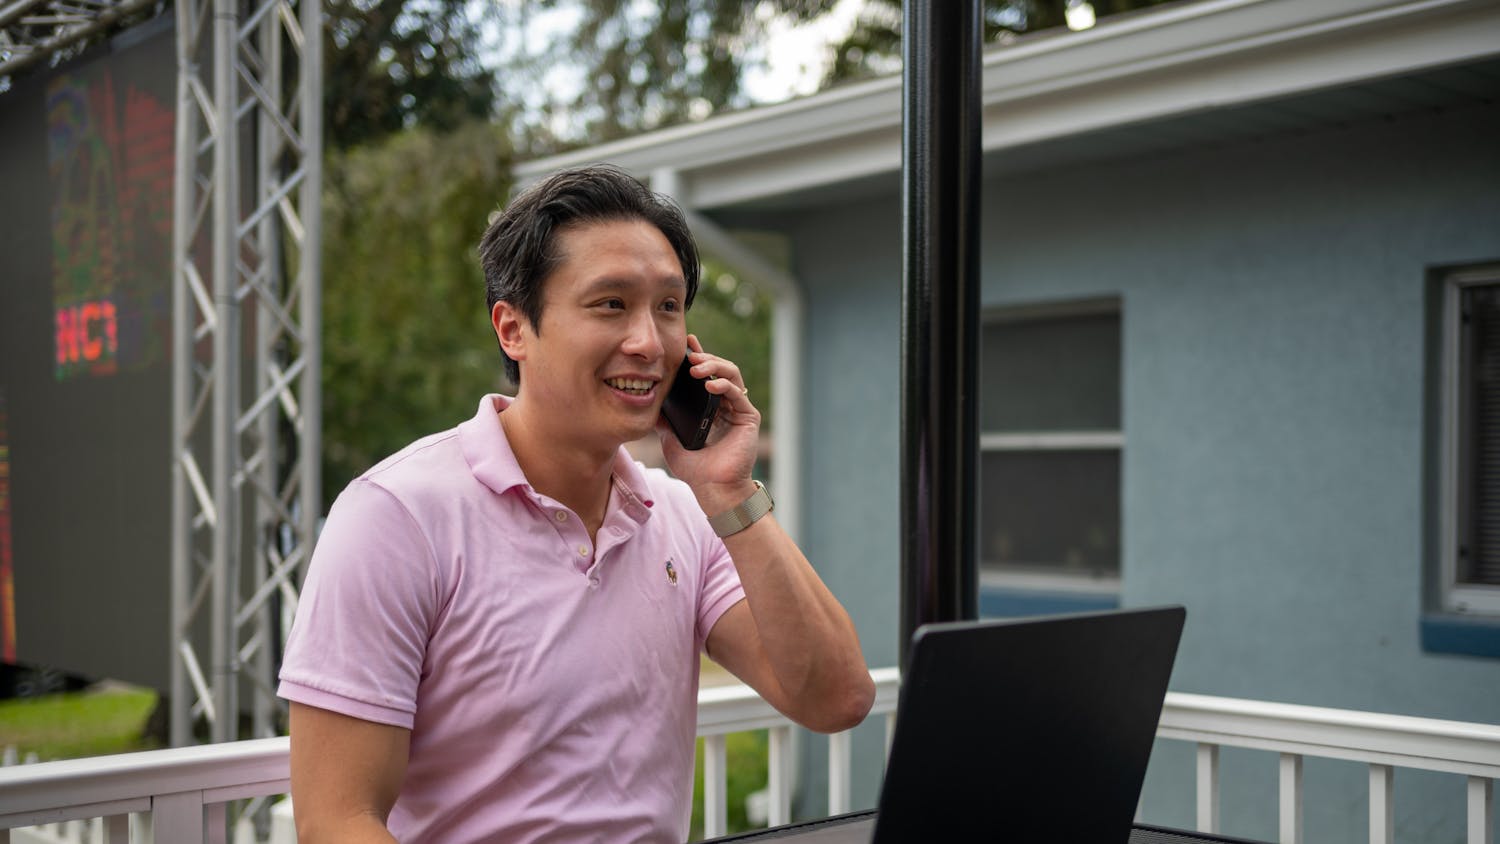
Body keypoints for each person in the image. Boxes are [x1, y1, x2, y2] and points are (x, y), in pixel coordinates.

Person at [278, 164, 875, 842]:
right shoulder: (397, 517)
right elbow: (336, 818)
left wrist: (731, 492)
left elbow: (838, 698)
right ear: (513, 329)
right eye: (611, 304)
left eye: (669, 307)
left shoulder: (682, 514)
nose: (649, 342)